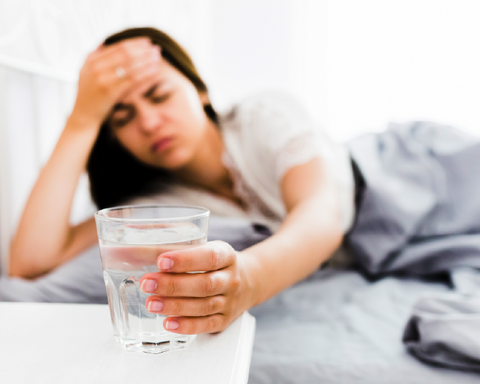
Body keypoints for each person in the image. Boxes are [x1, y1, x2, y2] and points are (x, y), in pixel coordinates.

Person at [8, 27, 352, 335]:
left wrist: (248, 279)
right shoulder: (155, 205)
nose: (149, 122)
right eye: (123, 118)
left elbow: (321, 215)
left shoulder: (264, 116)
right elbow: (29, 265)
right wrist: (82, 120)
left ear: (200, 89)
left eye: (159, 95)